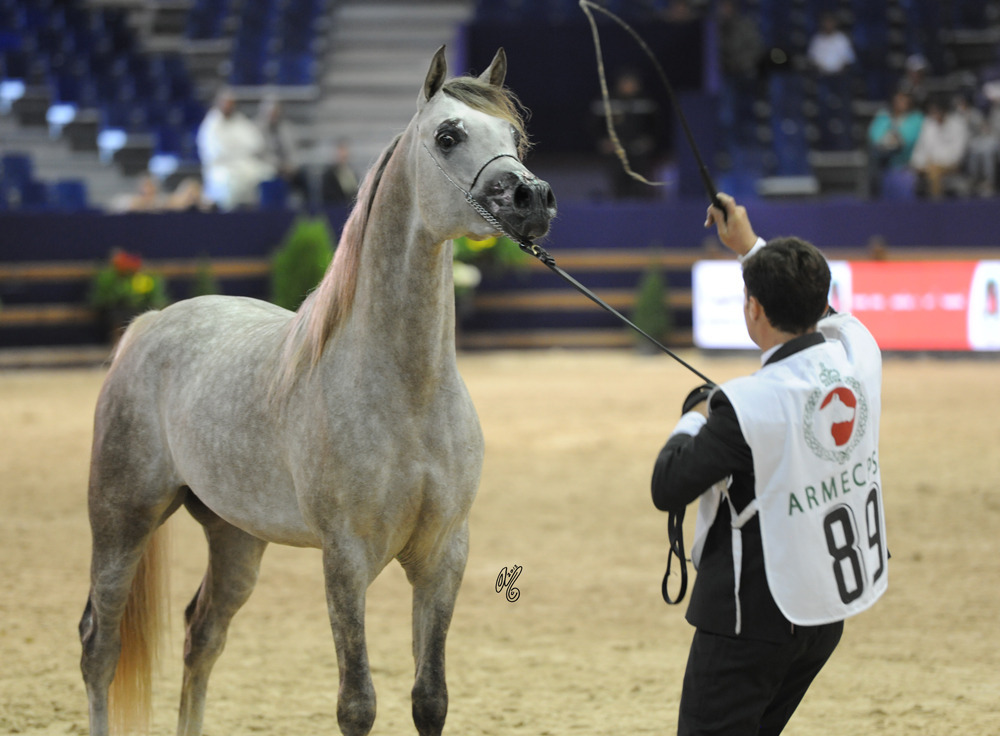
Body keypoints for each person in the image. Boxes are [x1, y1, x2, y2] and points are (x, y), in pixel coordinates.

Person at [651, 193, 888, 736]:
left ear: (754, 309)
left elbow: (668, 484)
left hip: (751, 618)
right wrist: (749, 247)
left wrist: (695, 414)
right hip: (825, 610)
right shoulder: (860, 352)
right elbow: (829, 316)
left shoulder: (744, 405)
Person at [196, 87, 276, 210]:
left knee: (269, 174)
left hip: (243, 164)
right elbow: (216, 153)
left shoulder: (239, 120)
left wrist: (235, 150)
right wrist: (238, 150)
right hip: (221, 167)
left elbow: (256, 143)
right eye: (226, 103)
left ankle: (264, 213)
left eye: (231, 103)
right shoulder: (211, 124)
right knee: (229, 182)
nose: (228, 106)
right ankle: (229, 216)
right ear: (219, 103)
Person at [806, 12, 856, 149]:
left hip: (839, 80)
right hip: (823, 79)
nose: (828, 25)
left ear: (835, 23)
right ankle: (824, 142)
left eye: (830, 22)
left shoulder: (841, 39)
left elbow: (848, 60)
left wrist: (838, 70)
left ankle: (844, 143)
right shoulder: (817, 40)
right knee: (823, 110)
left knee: (841, 110)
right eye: (826, 22)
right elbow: (812, 60)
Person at [866, 90, 923, 198]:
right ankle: (873, 198)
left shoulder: (916, 118)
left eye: (904, 99)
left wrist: (893, 140)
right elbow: (874, 136)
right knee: (873, 156)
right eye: (899, 99)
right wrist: (887, 141)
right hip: (884, 161)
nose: (902, 102)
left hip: (906, 162)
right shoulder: (883, 115)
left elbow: (907, 140)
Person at [909, 96, 969, 198]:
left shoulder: (958, 124)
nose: (933, 114)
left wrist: (935, 162)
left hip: (951, 164)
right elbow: (921, 148)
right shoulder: (928, 123)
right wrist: (916, 163)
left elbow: (958, 154)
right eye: (931, 112)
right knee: (909, 173)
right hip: (929, 164)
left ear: (944, 111)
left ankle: (936, 203)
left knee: (934, 172)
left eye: (936, 111)